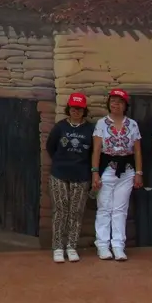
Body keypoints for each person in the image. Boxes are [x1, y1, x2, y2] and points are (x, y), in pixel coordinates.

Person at [91, 89, 143, 261]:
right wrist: (95, 173)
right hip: (107, 168)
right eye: (113, 101)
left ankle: (118, 246)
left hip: (127, 170)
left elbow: (137, 151)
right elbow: (97, 149)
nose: (116, 104)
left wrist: (138, 173)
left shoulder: (132, 125)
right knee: (104, 207)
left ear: (125, 105)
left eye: (119, 102)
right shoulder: (101, 123)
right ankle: (103, 245)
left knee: (120, 209)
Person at [45, 92, 95, 263]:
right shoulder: (60, 127)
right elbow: (50, 147)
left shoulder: (90, 129)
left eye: (80, 109)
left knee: (76, 211)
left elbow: (94, 152)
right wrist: (62, 162)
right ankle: (58, 247)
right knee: (60, 210)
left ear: (84, 110)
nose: (76, 111)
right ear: (69, 109)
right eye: (73, 108)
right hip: (59, 174)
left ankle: (72, 246)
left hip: (81, 176)